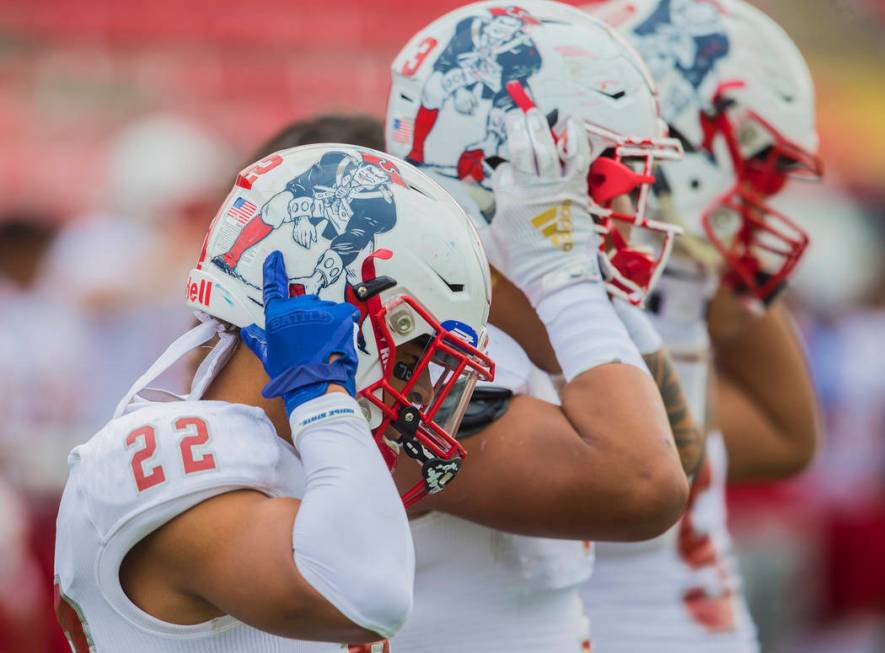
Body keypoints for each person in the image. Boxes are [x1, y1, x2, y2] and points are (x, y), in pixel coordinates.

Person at [53, 143, 495, 651]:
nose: (419, 389)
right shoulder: (164, 445)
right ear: (338, 316)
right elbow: (367, 597)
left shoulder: (303, 457)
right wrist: (323, 398)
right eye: (412, 354)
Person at [385, 2, 695, 650]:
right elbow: (647, 485)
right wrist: (563, 274)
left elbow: (682, 455)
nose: (631, 209)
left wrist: (588, 296)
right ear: (504, 174)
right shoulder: (416, 339)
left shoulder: (531, 332)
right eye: (606, 179)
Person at [577, 1, 825, 650]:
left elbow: (784, 437)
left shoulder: (682, 278)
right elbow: (637, 475)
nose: (760, 197)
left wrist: (717, 274)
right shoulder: (563, 294)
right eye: (748, 165)